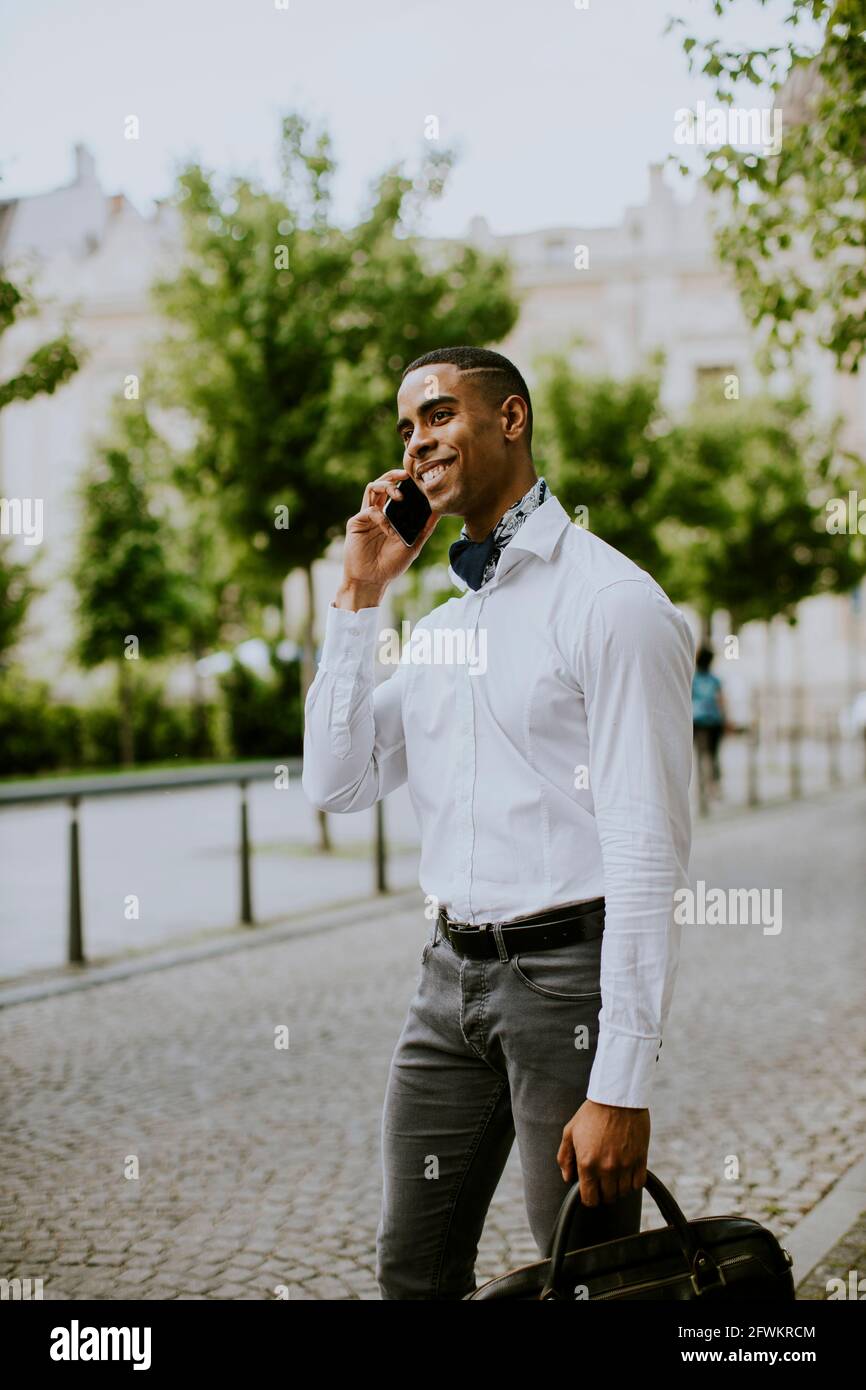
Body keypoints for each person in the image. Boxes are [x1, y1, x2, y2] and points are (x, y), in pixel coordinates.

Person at [301, 346, 695, 1299]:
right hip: (445, 986)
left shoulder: (612, 604)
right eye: (404, 429)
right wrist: (359, 598)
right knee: (414, 1272)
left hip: (566, 988)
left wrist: (622, 1084)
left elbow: (648, 853)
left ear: (510, 419)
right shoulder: (440, 632)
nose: (417, 442)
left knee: (590, 1284)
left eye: (438, 415)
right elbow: (335, 780)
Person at [692, 645, 727, 800]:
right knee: (713, 755)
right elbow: (721, 701)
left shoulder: (693, 679)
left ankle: (701, 787)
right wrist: (726, 718)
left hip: (697, 720)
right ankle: (714, 786)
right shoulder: (714, 680)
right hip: (713, 721)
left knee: (700, 754)